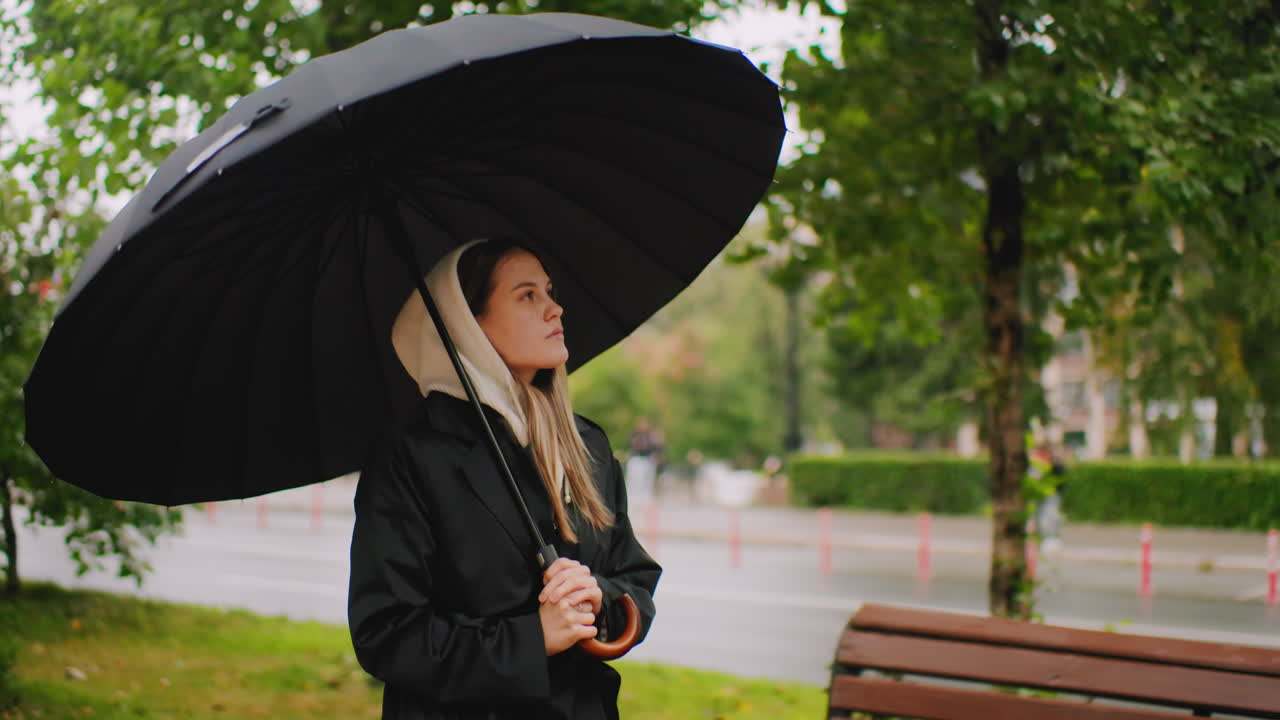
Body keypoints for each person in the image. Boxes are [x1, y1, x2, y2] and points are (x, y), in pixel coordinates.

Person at [348, 239, 661, 720]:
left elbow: (634, 578)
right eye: (527, 295)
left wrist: (599, 596)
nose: (555, 308)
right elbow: (389, 636)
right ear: (469, 325)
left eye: (549, 291)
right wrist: (532, 639)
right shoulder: (413, 455)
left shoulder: (586, 445)